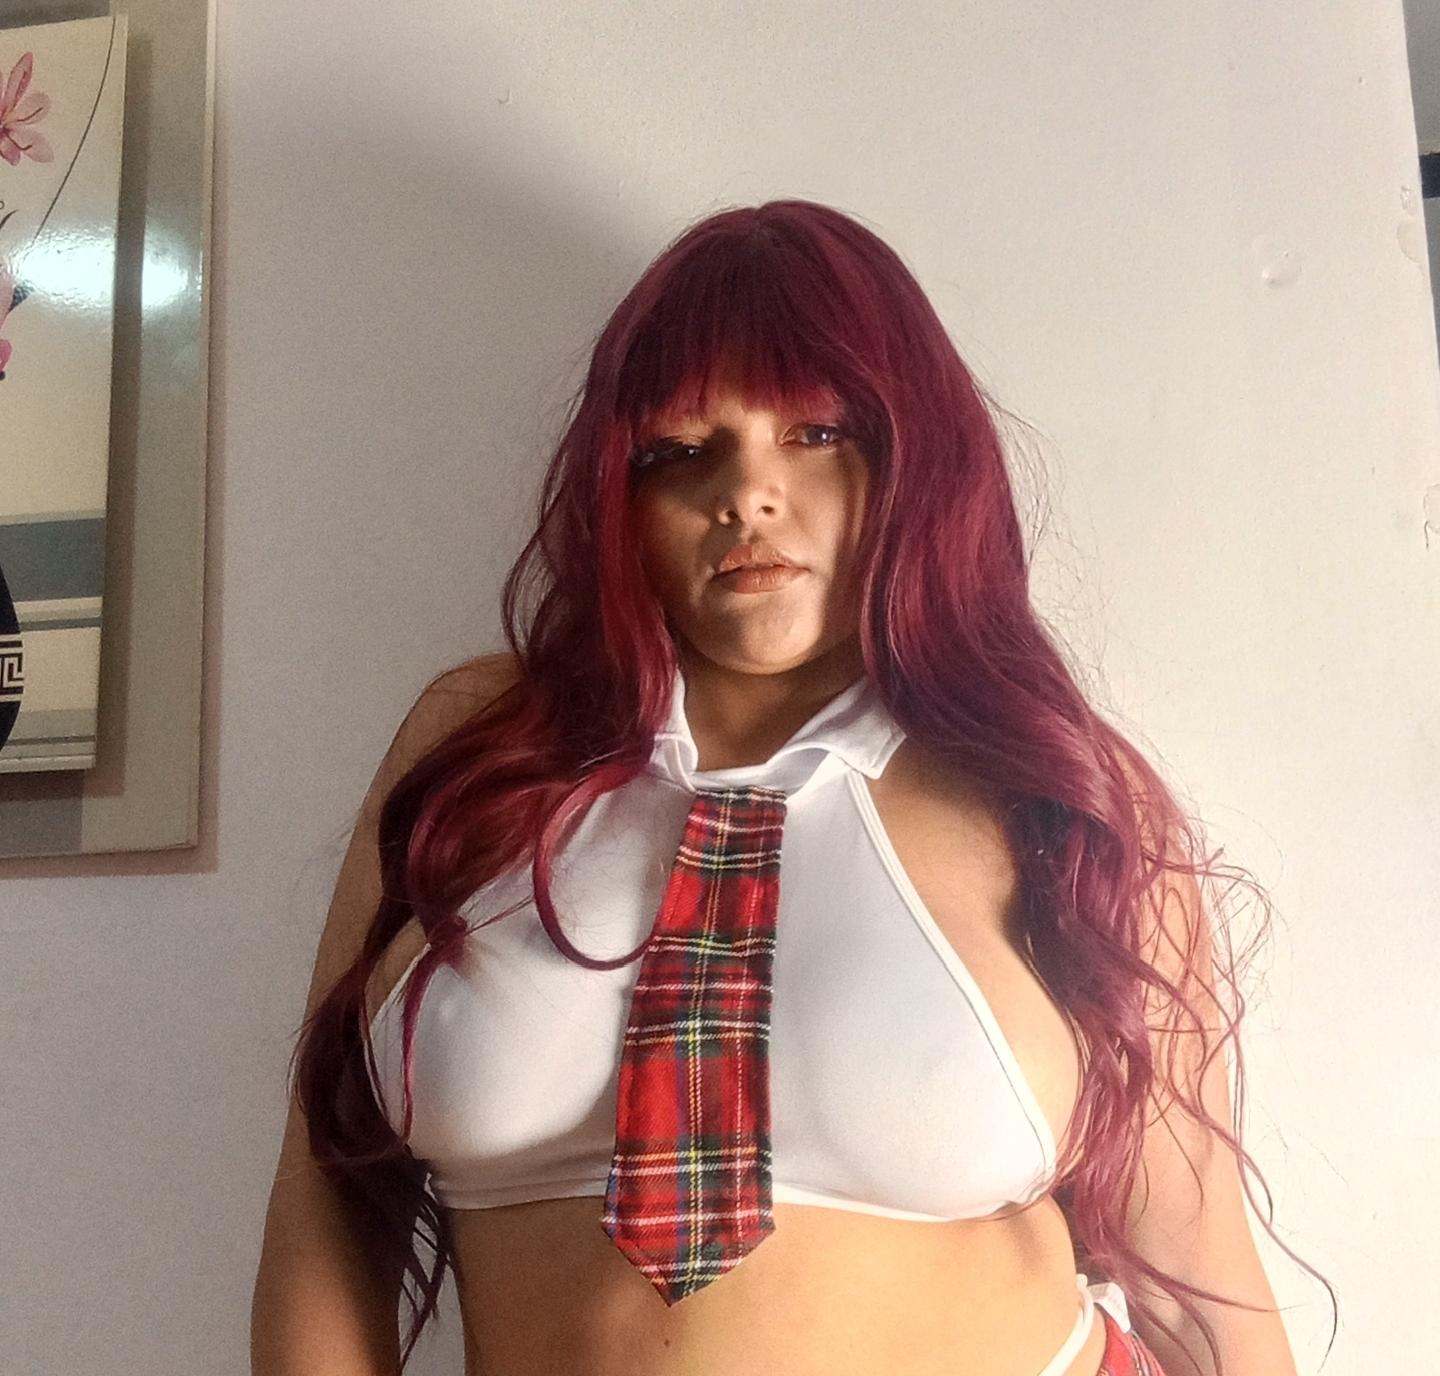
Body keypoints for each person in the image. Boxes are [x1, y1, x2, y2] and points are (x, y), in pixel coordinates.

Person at [251, 200, 1329, 1376]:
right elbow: (327, 1196)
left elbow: (1198, 1273)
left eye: (816, 432)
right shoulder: (475, 746)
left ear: (916, 455)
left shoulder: (1052, 788)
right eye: (682, 448)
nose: (749, 494)